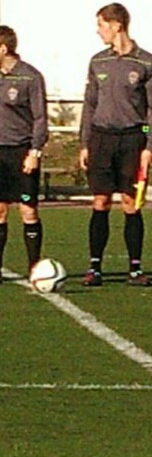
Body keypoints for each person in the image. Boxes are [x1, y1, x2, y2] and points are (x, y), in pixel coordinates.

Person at [79, 3, 152, 287]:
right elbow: (89, 104)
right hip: (101, 139)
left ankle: (135, 269)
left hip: (133, 138)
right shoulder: (97, 61)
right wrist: (84, 143)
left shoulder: (147, 63)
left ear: (116, 25)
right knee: (101, 201)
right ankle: (95, 268)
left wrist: (149, 146)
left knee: (131, 203)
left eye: (101, 25)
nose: (97, 31)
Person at [0, 26, 49, 273]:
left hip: (21, 152)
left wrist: (35, 151)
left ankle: (34, 267)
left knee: (28, 210)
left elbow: (40, 118)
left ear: (3, 48)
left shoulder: (30, 77)